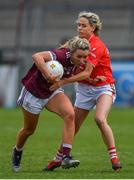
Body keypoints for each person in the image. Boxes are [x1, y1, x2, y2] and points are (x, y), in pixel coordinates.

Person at [47, 11, 122, 171]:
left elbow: (87, 72)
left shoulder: (97, 46)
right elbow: (64, 56)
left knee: (100, 119)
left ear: (93, 27)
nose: (79, 28)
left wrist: (63, 81)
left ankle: (114, 158)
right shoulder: (77, 43)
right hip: (84, 88)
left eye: (83, 25)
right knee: (73, 125)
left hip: (104, 87)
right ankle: (58, 159)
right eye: (78, 25)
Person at [11, 36, 94, 172]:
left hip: (52, 92)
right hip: (33, 94)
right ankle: (17, 150)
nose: (82, 60)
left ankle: (66, 156)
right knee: (29, 130)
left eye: (85, 57)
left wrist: (92, 80)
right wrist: (47, 74)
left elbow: (81, 74)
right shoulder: (60, 55)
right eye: (79, 56)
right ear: (71, 52)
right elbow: (37, 56)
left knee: (70, 115)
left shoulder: (79, 63)